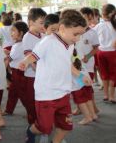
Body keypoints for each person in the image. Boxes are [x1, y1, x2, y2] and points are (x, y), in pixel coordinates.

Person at [19, 9, 92, 143]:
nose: (78, 38)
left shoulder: (70, 45)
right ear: (62, 28)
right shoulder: (48, 41)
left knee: (66, 126)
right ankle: (31, 131)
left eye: (81, 35)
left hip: (63, 93)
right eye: (76, 34)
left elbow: (67, 64)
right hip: (46, 94)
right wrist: (25, 62)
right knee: (44, 127)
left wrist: (81, 76)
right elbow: (34, 55)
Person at [22, 8, 46, 124]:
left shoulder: (43, 35)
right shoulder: (27, 37)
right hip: (32, 77)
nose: (44, 25)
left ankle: (42, 124)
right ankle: (32, 127)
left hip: (42, 77)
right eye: (41, 23)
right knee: (32, 103)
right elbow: (30, 58)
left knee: (43, 102)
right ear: (31, 22)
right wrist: (40, 69)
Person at [3, 21, 29, 116]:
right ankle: (9, 110)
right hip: (16, 72)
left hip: (19, 72)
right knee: (13, 92)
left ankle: (31, 111)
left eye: (13, 31)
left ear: (21, 33)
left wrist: (4, 54)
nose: (11, 33)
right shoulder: (19, 44)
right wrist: (8, 52)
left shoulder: (19, 45)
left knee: (22, 94)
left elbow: (10, 58)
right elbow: (14, 55)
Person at [94, 4, 116, 102]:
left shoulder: (99, 26)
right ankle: (112, 96)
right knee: (113, 74)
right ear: (112, 13)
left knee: (104, 74)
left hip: (101, 52)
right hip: (112, 53)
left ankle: (106, 95)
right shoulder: (114, 25)